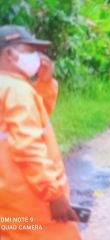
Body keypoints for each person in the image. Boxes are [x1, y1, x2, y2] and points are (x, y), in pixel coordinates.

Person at [0, 25, 81, 240]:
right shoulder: (17, 90)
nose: (37, 57)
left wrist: (44, 84)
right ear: (9, 54)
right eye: (30, 50)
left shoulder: (8, 87)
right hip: (32, 203)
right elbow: (28, 147)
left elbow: (29, 122)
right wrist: (54, 195)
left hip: (8, 204)